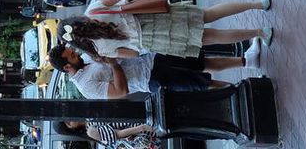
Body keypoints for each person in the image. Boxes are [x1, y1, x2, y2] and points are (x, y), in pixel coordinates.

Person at [61, 0, 273, 60]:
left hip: (155, 39)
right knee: (208, 14)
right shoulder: (94, 11)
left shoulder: (100, 50)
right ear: (76, 22)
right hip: (152, 16)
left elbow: (133, 55)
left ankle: (259, 32)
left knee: (211, 37)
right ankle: (258, 4)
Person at [47, 42, 250, 99]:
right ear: (67, 67)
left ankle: (246, 61)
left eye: (72, 52)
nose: (76, 54)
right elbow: (120, 92)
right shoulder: (86, 86)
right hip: (151, 78)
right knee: (202, 83)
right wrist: (113, 64)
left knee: (199, 62)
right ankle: (242, 90)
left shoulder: (84, 58)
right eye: (71, 56)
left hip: (151, 59)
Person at [60, 120, 158, 149]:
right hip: (143, 128)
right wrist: (142, 128)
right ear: (71, 129)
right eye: (68, 123)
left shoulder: (88, 116)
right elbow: (118, 134)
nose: (70, 120)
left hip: (140, 118)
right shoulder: (90, 131)